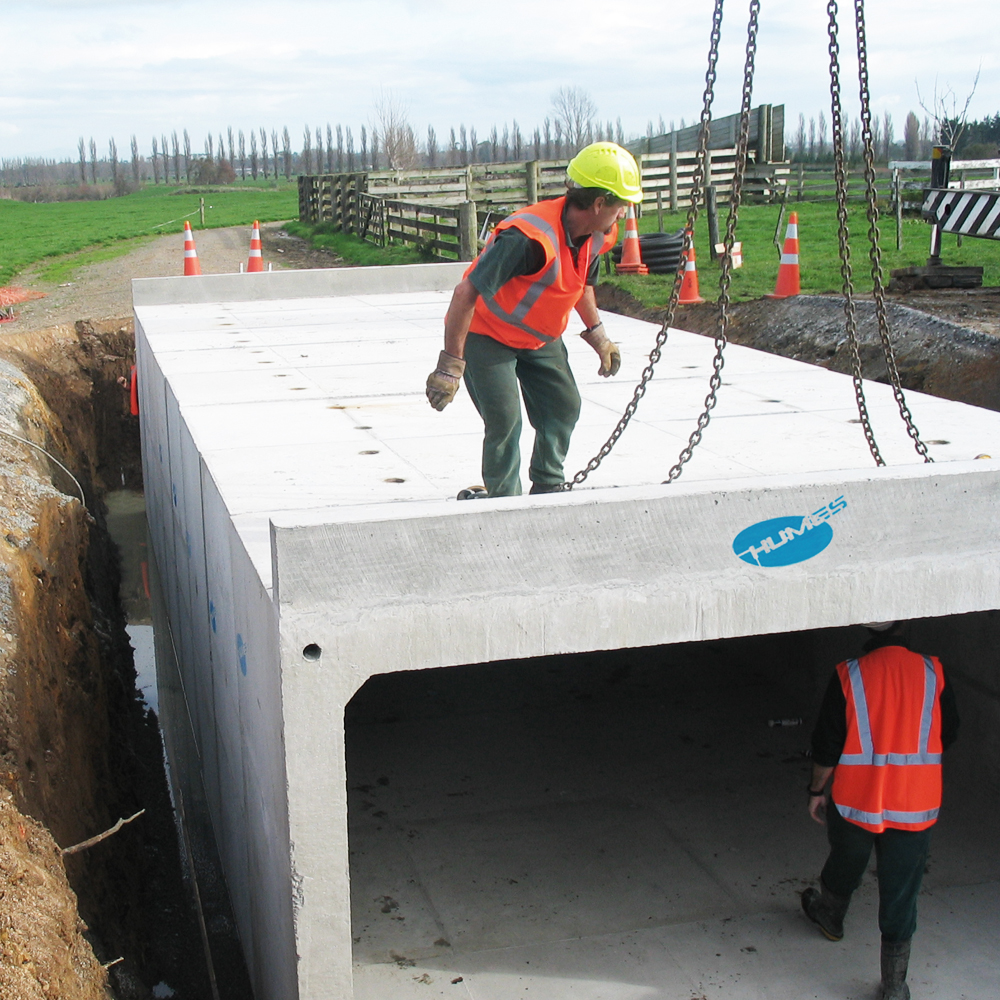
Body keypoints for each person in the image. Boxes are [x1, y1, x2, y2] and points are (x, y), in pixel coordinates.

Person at [424, 142, 642, 497]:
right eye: (621, 205)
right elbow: (465, 294)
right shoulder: (527, 238)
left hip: (540, 339)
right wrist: (450, 366)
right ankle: (504, 503)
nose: (624, 214)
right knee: (505, 421)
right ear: (599, 203)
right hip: (487, 334)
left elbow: (581, 282)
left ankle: (548, 486)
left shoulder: (597, 234)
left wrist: (598, 335)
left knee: (564, 405)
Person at [802, 621, 959, 1000]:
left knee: (846, 857)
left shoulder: (849, 675)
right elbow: (949, 730)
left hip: (858, 800)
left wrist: (817, 790)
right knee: (902, 889)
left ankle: (831, 915)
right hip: (914, 803)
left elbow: (827, 744)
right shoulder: (933, 672)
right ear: (906, 628)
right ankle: (894, 985)